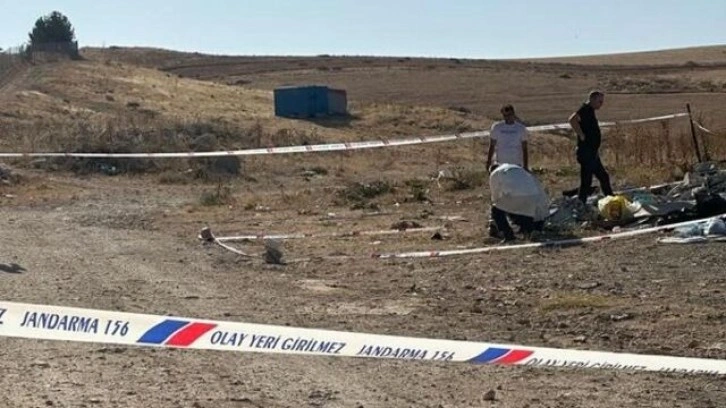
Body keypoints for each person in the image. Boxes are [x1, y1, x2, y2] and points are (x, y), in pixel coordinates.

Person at [568, 90, 613, 204]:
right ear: (592, 99)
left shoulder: (590, 111)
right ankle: (581, 203)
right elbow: (572, 119)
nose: (601, 104)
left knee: (603, 177)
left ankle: (611, 199)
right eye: (599, 101)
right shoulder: (585, 109)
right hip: (586, 152)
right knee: (587, 181)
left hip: (592, 152)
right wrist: (581, 135)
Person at [488, 163, 549, 242]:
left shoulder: (494, 174)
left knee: (496, 209)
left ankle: (508, 235)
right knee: (523, 212)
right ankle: (529, 232)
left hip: (517, 196)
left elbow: (495, 197)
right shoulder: (517, 168)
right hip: (533, 195)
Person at [487, 104, 529, 171]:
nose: (507, 117)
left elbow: (524, 148)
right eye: (505, 115)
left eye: (509, 115)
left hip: (517, 164)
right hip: (500, 164)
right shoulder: (497, 127)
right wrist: (489, 162)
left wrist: (525, 166)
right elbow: (492, 145)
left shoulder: (521, 128)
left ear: (513, 114)